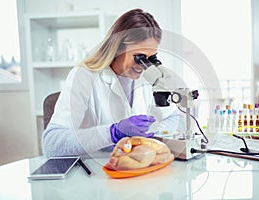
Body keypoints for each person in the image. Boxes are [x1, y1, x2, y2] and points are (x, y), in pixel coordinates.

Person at [42, 9, 185, 157]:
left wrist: (154, 131)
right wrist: (112, 132)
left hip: (135, 170)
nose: (144, 65)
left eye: (151, 57)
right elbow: (51, 144)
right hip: (94, 173)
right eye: (139, 57)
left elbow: (175, 118)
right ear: (117, 49)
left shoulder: (148, 77)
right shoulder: (83, 76)